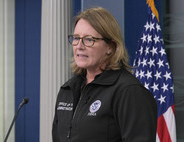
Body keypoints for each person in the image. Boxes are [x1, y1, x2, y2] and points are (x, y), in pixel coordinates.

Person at [52, 7, 157, 142]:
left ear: (110, 47)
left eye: (89, 39)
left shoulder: (128, 91)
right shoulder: (67, 90)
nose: (79, 46)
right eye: (76, 38)